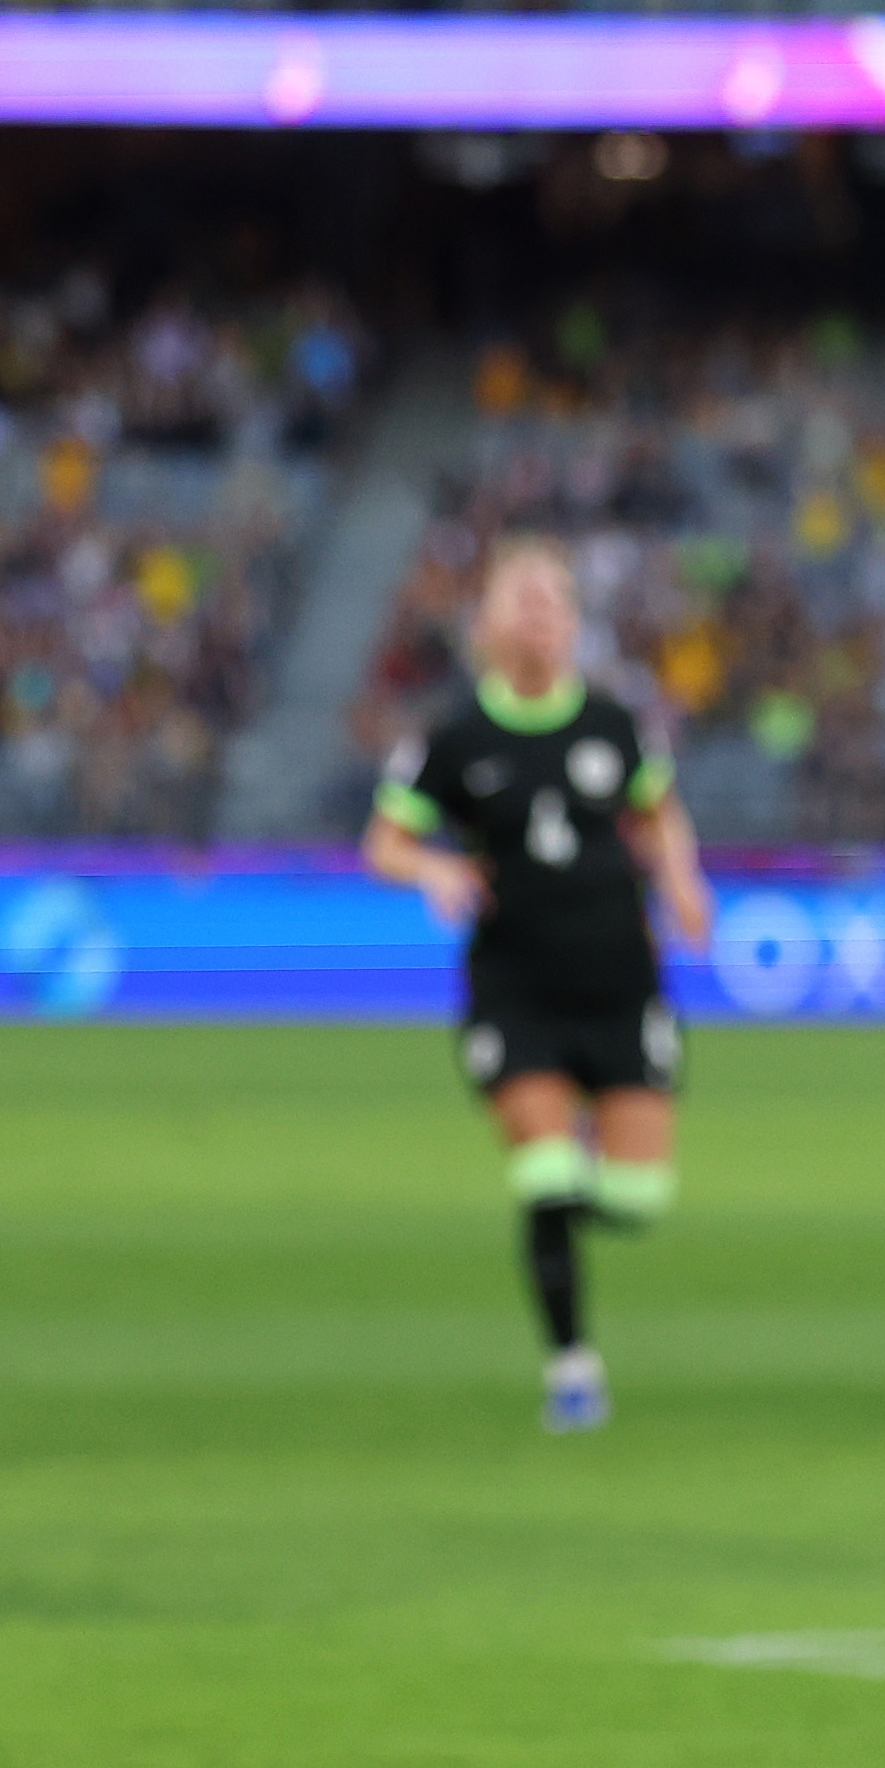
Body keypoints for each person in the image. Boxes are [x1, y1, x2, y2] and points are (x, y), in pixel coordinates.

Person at [361, 541, 715, 1434]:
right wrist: (434, 869)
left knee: (635, 1201)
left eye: (552, 602)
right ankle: (573, 1368)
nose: (538, 617)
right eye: (520, 601)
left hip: (620, 981)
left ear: (574, 623)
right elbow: (385, 843)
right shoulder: (454, 738)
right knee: (547, 1175)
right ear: (484, 625)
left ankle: (586, 1165)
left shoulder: (613, 723)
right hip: (515, 985)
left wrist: (682, 880)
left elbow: (657, 812)